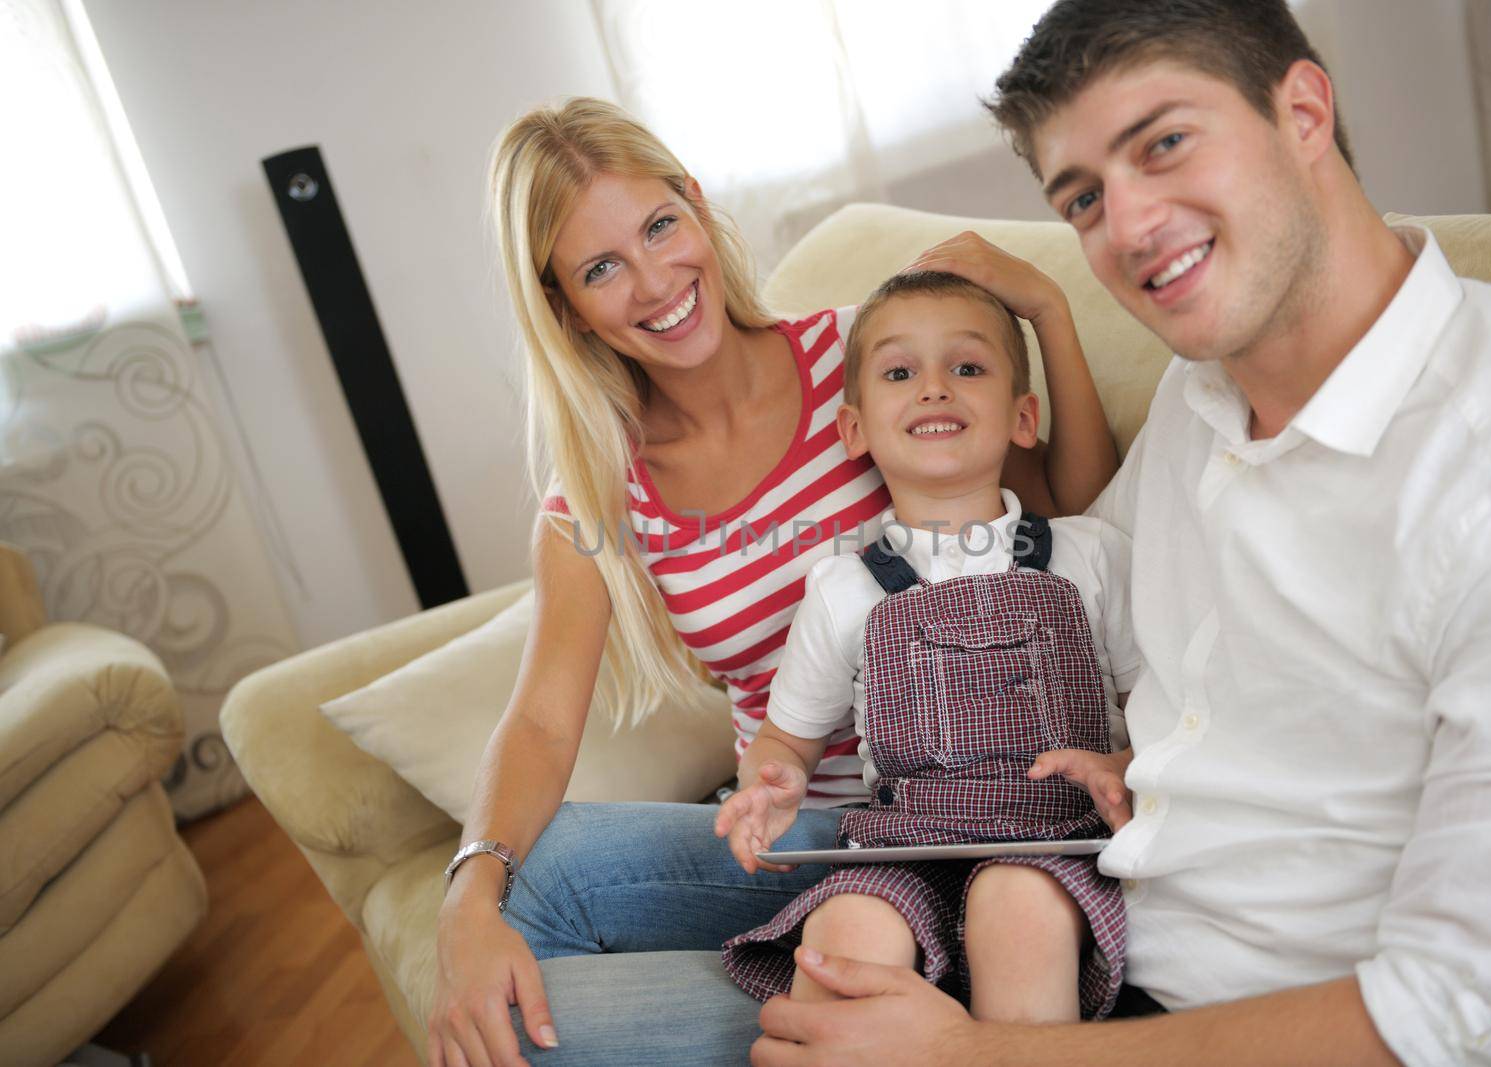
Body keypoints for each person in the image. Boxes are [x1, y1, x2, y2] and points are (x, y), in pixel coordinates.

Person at [743, 1, 1491, 1065]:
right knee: (559, 906)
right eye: (1084, 197)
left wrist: (971, 1054)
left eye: (1163, 144)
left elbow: (1477, 1017)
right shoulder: (1202, 401)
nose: (1132, 225)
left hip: (1160, 1010)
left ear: (1302, 111)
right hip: (1043, 888)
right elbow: (1073, 578)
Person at [427, 97, 1121, 1067]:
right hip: (801, 833)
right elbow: (542, 719)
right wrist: (468, 891)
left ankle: (891, 1002)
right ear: (563, 304)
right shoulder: (597, 487)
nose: (655, 279)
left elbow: (1059, 517)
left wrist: (1046, 309)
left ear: (698, 208)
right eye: (600, 267)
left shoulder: (867, 358)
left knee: (531, 1016)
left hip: (970, 798)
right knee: (541, 877)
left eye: (660, 226)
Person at [714, 271, 1143, 1023]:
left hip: (1056, 849)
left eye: (967, 367)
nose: (935, 388)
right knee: (841, 931)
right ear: (855, 429)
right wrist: (770, 782)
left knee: (1016, 907)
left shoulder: (1090, 554)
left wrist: (1127, 767)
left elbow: (1160, 711)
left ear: (1022, 416)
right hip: (904, 852)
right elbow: (785, 739)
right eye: (900, 372)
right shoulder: (843, 588)